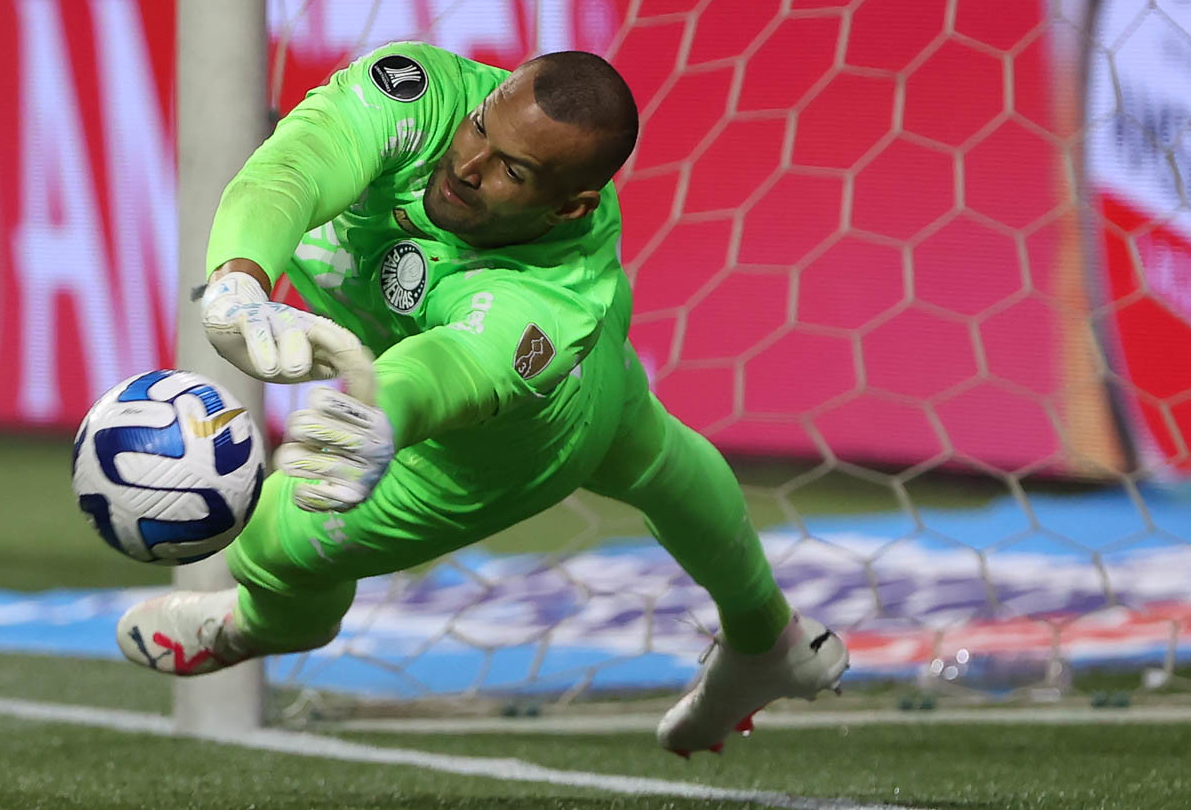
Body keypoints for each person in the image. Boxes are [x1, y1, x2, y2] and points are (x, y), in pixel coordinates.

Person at [115, 42, 848, 756]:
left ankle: (262, 624)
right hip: (595, 368)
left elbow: (453, 367)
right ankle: (767, 638)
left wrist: (378, 412)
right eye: (481, 129)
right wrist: (240, 276)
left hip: (508, 447)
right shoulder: (427, 91)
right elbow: (302, 160)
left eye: (513, 171)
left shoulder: (547, 299)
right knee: (654, 456)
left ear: (570, 208)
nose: (468, 167)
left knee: (271, 539)